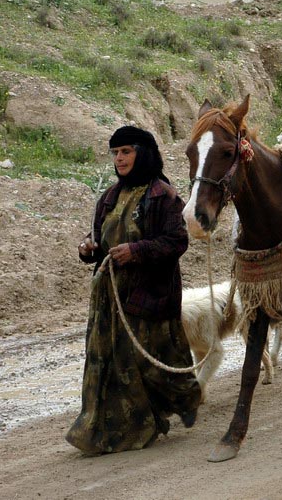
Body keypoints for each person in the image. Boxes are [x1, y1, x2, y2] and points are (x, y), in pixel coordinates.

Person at [66, 126, 201, 455]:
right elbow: (101, 242)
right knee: (106, 361)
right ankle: (108, 428)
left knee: (149, 364)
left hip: (148, 296)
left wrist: (136, 251)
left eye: (126, 151)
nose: (119, 158)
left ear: (144, 153)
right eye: (115, 153)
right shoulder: (109, 197)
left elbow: (177, 241)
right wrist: (89, 249)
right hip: (109, 299)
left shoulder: (164, 196)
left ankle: (180, 400)